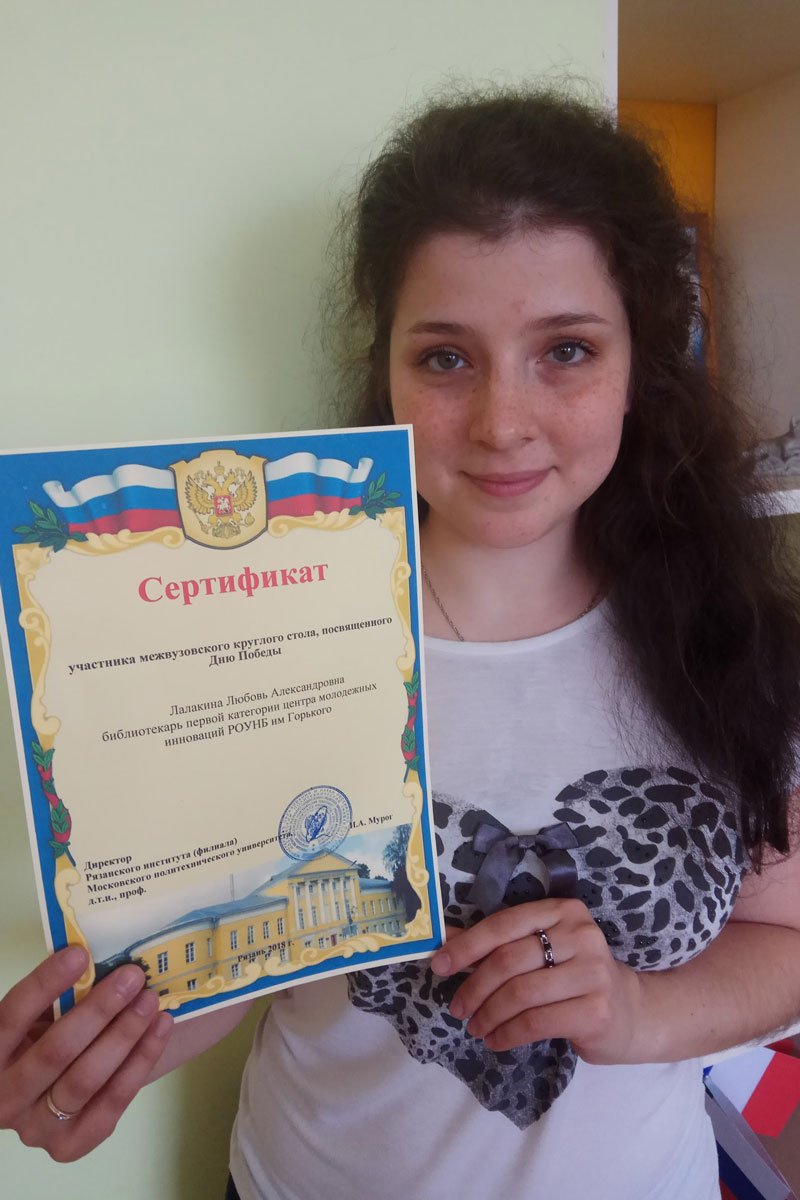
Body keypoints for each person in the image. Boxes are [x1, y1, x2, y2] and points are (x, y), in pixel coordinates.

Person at [3, 85, 800, 1200]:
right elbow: (230, 956)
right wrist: (96, 1055)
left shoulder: (737, 642)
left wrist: (638, 1010)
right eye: (446, 359)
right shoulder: (263, 638)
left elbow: (784, 936)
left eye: (566, 349)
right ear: (385, 366)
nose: (502, 422)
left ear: (643, 365)